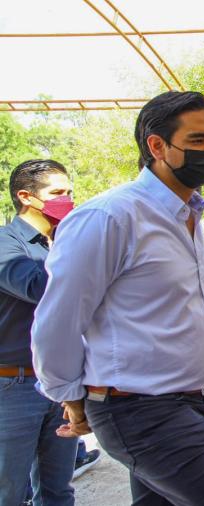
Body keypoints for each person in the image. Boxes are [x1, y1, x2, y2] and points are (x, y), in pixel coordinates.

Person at [30, 91, 204, 505]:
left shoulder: (187, 214)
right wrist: (70, 396)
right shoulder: (110, 217)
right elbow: (59, 320)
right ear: (157, 146)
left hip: (195, 401)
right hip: (141, 412)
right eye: (197, 141)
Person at [0, 159, 77, 506]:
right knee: (10, 492)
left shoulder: (64, 241)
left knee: (57, 490)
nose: (68, 200)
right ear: (26, 197)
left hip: (62, 385)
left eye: (69, 192)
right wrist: (85, 256)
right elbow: (36, 285)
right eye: (57, 193)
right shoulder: (6, 244)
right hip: (14, 385)